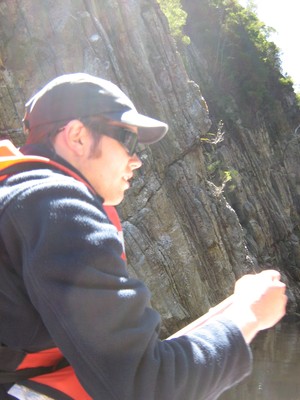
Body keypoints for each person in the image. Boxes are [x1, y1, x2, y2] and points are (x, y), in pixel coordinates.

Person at [0, 73, 287, 400]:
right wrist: (250, 312)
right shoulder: (57, 208)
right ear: (77, 135)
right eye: (128, 140)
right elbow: (145, 387)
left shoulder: (22, 196)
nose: (136, 160)